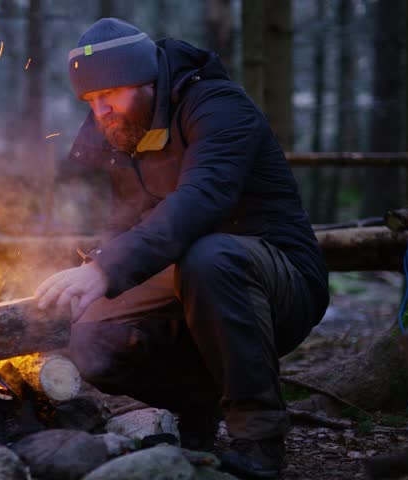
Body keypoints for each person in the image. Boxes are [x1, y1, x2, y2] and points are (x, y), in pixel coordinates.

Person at [34, 18, 329, 478]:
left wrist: (106, 269)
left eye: (110, 94)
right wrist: (76, 272)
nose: (100, 110)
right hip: (179, 280)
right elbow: (100, 218)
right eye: (90, 100)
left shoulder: (216, 106)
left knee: (209, 258)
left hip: (275, 279)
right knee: (83, 333)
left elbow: (202, 200)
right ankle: (197, 406)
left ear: (147, 80)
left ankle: (259, 439)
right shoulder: (113, 130)